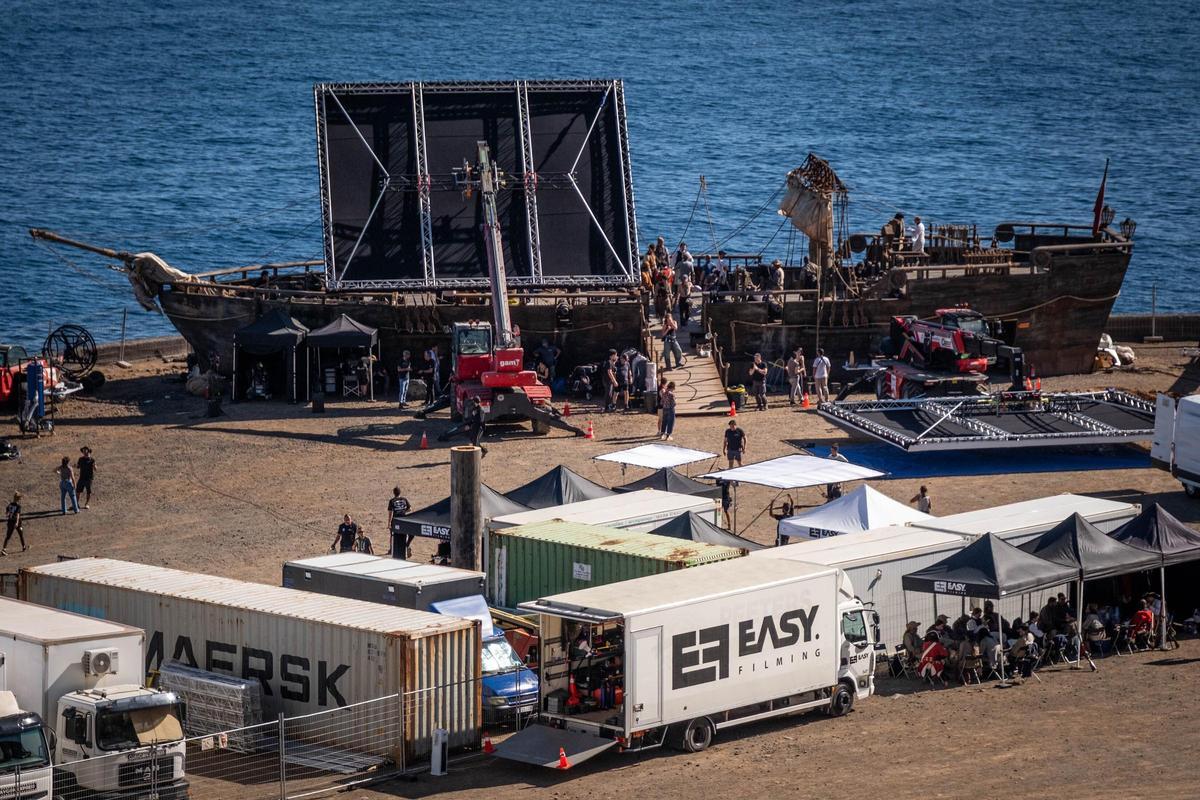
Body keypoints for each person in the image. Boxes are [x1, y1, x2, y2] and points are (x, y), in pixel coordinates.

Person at [387, 487, 411, 556]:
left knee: (392, 535)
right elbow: (410, 509)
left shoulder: (392, 501)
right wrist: (402, 511)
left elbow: (390, 513)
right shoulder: (404, 499)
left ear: (393, 493)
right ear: (400, 492)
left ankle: (391, 549)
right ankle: (406, 547)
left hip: (395, 521)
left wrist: (389, 523)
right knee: (404, 535)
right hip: (403, 520)